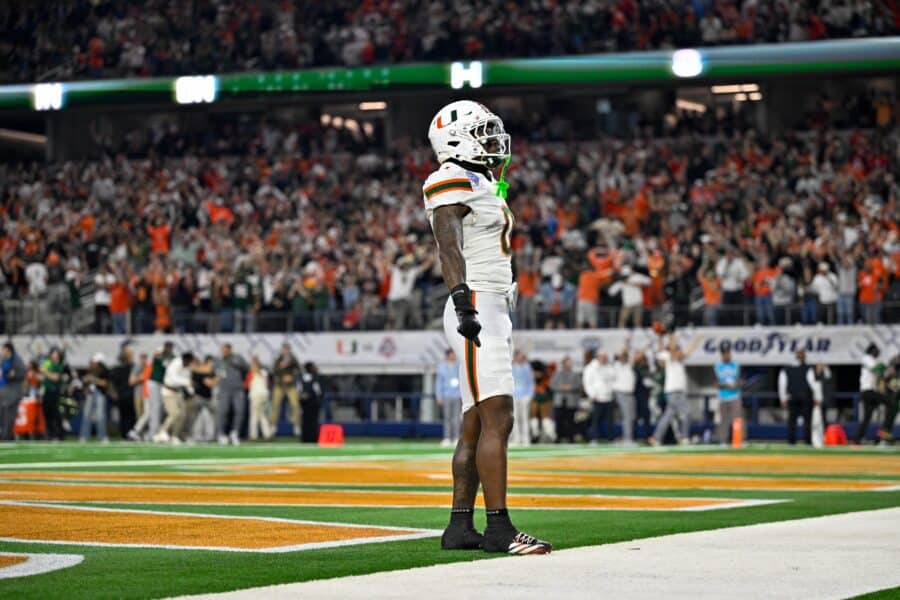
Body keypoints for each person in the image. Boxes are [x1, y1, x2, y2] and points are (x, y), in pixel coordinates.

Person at [425, 100, 550, 554]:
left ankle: (460, 526)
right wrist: (463, 302)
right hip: (476, 301)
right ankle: (499, 528)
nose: (493, 141)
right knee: (500, 416)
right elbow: (447, 243)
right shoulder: (449, 179)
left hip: (489, 302)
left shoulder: (481, 181)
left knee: (476, 424)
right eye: (483, 132)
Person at [650, 337, 699, 446]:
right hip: (674, 392)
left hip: (677, 392)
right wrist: (672, 337)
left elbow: (688, 352)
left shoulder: (679, 359)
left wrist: (697, 340)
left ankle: (655, 438)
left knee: (667, 417)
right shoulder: (670, 357)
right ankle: (684, 437)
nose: (680, 351)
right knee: (687, 412)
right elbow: (671, 351)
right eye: (678, 349)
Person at [778, 350, 818, 445]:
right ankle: (807, 441)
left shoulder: (787, 369)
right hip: (804, 397)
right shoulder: (808, 369)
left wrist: (783, 398)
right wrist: (817, 397)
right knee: (805, 420)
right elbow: (813, 384)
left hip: (794, 397)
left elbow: (782, 384)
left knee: (793, 420)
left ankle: (793, 441)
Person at [154, 352, 195, 444]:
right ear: (185, 360)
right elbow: (173, 379)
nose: (190, 364)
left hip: (178, 392)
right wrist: (186, 382)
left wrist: (191, 391)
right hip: (168, 391)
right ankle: (161, 433)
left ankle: (174, 436)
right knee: (174, 413)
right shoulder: (175, 363)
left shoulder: (187, 367)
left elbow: (188, 379)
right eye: (190, 362)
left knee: (183, 414)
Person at [214, 343, 249, 446]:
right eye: (223, 350)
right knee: (223, 412)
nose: (224, 352)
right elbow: (216, 373)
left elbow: (246, 369)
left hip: (238, 389)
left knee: (239, 411)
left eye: (226, 350)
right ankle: (221, 434)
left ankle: (235, 433)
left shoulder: (238, 358)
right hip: (224, 389)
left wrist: (237, 367)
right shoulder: (218, 361)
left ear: (230, 350)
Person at [854, 344, 888, 444]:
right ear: (872, 351)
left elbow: (880, 372)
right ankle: (884, 436)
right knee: (891, 403)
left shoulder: (872, 360)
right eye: (876, 351)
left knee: (867, 417)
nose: (878, 353)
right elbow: (877, 369)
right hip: (868, 391)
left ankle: (858, 439)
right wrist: (884, 367)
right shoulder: (866, 358)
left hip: (871, 391)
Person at [713, 342, 743, 445]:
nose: (727, 355)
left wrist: (735, 384)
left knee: (737, 420)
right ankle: (723, 441)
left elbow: (741, 381)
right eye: (724, 353)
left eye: (728, 352)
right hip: (723, 396)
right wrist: (725, 385)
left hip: (735, 396)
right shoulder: (717, 366)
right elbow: (715, 383)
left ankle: (738, 441)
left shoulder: (736, 365)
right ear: (721, 354)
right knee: (723, 421)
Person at [583, 350, 615, 444]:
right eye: (602, 357)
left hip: (608, 397)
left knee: (610, 420)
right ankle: (594, 438)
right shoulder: (591, 368)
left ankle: (610, 438)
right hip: (597, 397)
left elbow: (613, 379)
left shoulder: (609, 367)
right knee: (595, 419)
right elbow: (587, 383)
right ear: (598, 357)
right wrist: (592, 394)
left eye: (605, 357)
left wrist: (612, 392)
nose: (604, 359)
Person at [270, 343, 301, 438]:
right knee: (275, 405)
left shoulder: (293, 359)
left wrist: (292, 377)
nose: (286, 351)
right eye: (284, 349)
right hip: (279, 385)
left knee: (295, 405)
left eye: (287, 349)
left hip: (291, 386)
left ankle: (297, 426)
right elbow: (273, 371)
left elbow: (298, 370)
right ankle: (273, 426)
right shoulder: (278, 359)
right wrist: (280, 368)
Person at [80, 353, 110, 443]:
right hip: (90, 393)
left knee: (100, 415)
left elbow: (105, 383)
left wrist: (93, 379)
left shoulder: (104, 371)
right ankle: (84, 436)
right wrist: (86, 384)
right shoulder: (90, 370)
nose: (93, 363)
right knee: (86, 414)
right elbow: (86, 382)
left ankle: (102, 436)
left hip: (100, 393)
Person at [436, 349, 463, 447]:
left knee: (456, 418)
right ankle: (447, 438)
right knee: (447, 418)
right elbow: (439, 383)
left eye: (454, 355)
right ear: (447, 356)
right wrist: (439, 396)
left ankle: (456, 437)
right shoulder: (442, 367)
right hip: (446, 395)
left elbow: (462, 380)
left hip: (457, 395)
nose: (453, 356)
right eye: (451, 355)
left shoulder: (458, 366)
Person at [549, 356, 580, 443]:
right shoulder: (557, 374)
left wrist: (571, 388)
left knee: (570, 420)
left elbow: (579, 385)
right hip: (559, 401)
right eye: (567, 362)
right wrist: (561, 388)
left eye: (570, 362)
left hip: (571, 401)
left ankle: (571, 438)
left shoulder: (575, 374)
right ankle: (558, 437)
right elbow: (552, 385)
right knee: (559, 420)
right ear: (563, 363)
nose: (569, 364)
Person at [109, 345, 138, 438]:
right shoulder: (120, 368)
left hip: (127, 394)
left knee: (129, 416)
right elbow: (111, 382)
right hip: (124, 395)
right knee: (127, 416)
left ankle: (128, 434)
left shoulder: (132, 367)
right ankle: (126, 434)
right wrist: (113, 392)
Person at [0, 342, 26, 440]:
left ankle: (7, 436)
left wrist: (14, 375)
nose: (2, 351)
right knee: (3, 413)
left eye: (3, 349)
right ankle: (5, 434)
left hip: (13, 392)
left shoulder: (16, 360)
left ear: (8, 350)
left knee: (10, 415)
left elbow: (22, 373)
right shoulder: (3, 360)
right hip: (5, 391)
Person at [611, 349, 636, 445]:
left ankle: (627, 437)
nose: (624, 357)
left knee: (632, 416)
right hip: (621, 393)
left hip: (630, 394)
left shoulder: (628, 365)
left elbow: (635, 357)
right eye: (622, 356)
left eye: (626, 356)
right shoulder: (616, 366)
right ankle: (627, 439)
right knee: (627, 417)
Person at [40, 347, 65, 441]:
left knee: (55, 414)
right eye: (52, 353)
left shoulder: (58, 365)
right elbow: (45, 377)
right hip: (47, 391)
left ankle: (59, 435)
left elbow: (55, 378)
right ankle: (49, 434)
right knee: (47, 413)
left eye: (55, 353)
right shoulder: (49, 364)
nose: (54, 355)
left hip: (54, 391)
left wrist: (45, 371)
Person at [511, 351, 534, 446]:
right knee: (515, 418)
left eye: (522, 356)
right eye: (519, 356)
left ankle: (526, 439)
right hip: (514, 396)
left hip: (524, 396)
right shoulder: (511, 367)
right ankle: (516, 438)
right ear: (515, 357)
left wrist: (529, 395)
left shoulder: (527, 367)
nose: (521, 358)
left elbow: (531, 383)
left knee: (524, 418)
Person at [246, 356, 272, 441]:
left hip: (256, 396)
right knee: (262, 415)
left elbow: (247, 385)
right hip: (264, 395)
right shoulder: (264, 372)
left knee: (254, 416)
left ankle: (253, 435)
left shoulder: (252, 373)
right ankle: (267, 434)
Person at [300, 362, 323, 443]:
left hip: (307, 402)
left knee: (307, 420)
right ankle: (311, 438)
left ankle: (306, 438)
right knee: (312, 421)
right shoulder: (315, 377)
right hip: (311, 402)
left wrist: (302, 396)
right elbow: (318, 391)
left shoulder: (302, 378)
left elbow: (300, 389)